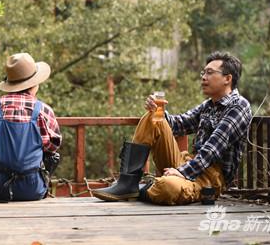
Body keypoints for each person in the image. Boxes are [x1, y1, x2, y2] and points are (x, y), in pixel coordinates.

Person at [93, 51, 252, 205]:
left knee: (167, 187)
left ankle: (148, 187)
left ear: (227, 78)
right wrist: (157, 110)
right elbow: (180, 124)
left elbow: (213, 149)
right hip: (187, 163)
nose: (204, 77)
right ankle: (128, 183)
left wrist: (183, 172)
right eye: (203, 73)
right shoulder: (209, 105)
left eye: (210, 73)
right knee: (154, 118)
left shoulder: (239, 106)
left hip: (209, 179)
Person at [0, 53, 62, 202]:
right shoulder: (43, 110)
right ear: (34, 85)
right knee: (52, 156)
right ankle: (40, 184)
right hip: (32, 190)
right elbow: (53, 146)